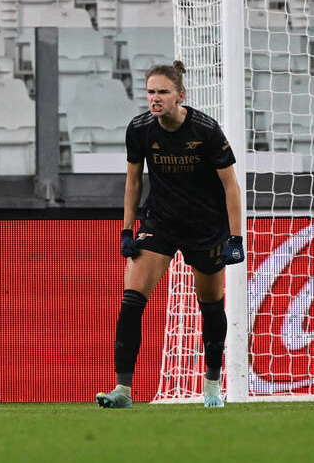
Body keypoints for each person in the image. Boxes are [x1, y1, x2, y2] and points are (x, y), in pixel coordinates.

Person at [96, 61, 245, 409]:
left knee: (210, 305)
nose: (155, 98)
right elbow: (133, 181)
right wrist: (126, 229)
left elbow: (230, 185)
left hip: (206, 226)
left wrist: (235, 238)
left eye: (162, 92)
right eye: (150, 92)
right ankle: (123, 390)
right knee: (131, 301)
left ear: (181, 95)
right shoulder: (140, 129)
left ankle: (211, 384)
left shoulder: (206, 130)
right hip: (160, 222)